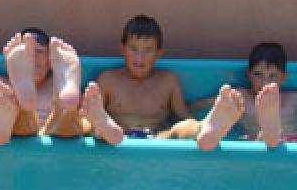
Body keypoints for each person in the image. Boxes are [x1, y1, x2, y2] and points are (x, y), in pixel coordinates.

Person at [80, 14, 247, 150]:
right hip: (116, 136)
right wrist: (93, 122)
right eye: (133, 49)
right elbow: (86, 114)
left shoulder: (168, 81)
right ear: (123, 49)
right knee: (93, 128)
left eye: (148, 50)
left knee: (183, 128)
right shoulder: (108, 79)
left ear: (159, 53)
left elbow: (182, 116)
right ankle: (104, 127)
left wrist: (191, 126)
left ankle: (207, 128)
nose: (139, 57)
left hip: (157, 139)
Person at [0, 28, 87, 145]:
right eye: (27, 53)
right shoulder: (2, 86)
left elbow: (84, 111)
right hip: (31, 135)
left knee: (71, 120)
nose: (33, 57)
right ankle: (4, 118)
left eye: (39, 52)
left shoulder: (63, 86)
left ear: (51, 60)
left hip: (51, 133)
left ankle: (3, 122)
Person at [187, 42, 297, 148]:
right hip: (256, 145)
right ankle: (269, 134)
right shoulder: (239, 96)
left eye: (272, 76)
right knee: (261, 141)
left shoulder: (295, 98)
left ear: (283, 78)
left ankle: (270, 135)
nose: (265, 82)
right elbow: (198, 105)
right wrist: (191, 112)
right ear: (248, 74)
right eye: (258, 74)